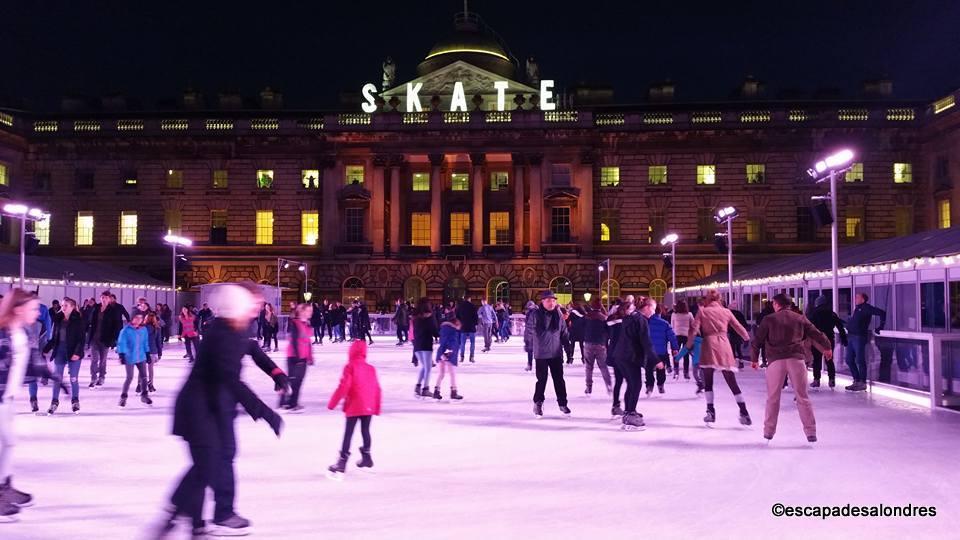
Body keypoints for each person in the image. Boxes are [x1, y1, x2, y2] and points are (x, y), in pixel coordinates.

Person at [155, 283, 288, 538]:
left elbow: (253, 350)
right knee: (207, 464)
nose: (255, 310)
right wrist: (265, 412)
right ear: (236, 307)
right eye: (251, 305)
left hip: (217, 407)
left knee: (217, 459)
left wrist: (276, 373)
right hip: (199, 409)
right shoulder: (222, 334)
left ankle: (201, 520)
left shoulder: (235, 329)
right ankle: (188, 515)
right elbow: (231, 379)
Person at [0, 289, 61, 521]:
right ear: (18, 309)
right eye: (34, 308)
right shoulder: (2, 334)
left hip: (7, 398)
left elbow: (32, 362)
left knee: (9, 443)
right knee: (6, 443)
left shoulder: (22, 332)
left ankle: (5, 486)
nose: (38, 312)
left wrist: (54, 377)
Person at [751, 293, 833, 443]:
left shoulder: (769, 319)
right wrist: (827, 347)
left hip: (776, 361)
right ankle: (810, 432)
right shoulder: (799, 318)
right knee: (802, 397)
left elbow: (757, 340)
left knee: (773, 398)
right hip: (796, 360)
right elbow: (816, 333)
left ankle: (768, 431)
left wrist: (755, 359)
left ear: (776, 304)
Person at [688, 289, 752, 426]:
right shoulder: (726, 312)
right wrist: (746, 337)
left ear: (708, 299)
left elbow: (694, 329)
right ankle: (744, 412)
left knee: (708, 381)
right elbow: (738, 326)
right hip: (724, 345)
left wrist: (689, 345)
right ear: (719, 299)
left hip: (709, 345)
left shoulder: (703, 311)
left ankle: (710, 411)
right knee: (731, 381)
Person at [327, 340, 382, 477]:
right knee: (365, 430)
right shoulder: (371, 368)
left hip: (354, 404)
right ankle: (367, 458)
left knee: (348, 433)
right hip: (368, 405)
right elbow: (377, 389)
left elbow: (344, 386)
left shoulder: (350, 366)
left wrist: (332, 403)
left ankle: (342, 462)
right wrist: (376, 407)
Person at [610, 297, 658, 430]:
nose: (654, 312)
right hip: (629, 357)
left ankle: (629, 411)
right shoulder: (640, 320)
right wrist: (656, 360)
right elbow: (646, 342)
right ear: (647, 307)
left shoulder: (632, 316)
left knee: (632, 384)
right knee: (636, 384)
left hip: (621, 356)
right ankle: (630, 415)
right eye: (653, 309)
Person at [525, 290, 571, 418]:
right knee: (542, 380)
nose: (552, 303)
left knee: (559, 380)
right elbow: (528, 331)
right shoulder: (535, 315)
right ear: (543, 301)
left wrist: (568, 348)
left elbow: (564, 332)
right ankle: (538, 403)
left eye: (553, 300)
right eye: (549, 300)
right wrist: (528, 345)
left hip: (556, 352)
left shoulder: (559, 315)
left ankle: (563, 403)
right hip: (541, 353)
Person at [41, 297, 85, 415]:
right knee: (57, 378)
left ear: (72, 307)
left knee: (73, 378)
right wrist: (46, 348)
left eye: (65, 305)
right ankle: (54, 402)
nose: (62, 307)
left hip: (73, 352)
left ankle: (75, 401)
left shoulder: (78, 320)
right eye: (62, 305)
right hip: (60, 351)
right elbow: (55, 337)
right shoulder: (58, 319)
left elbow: (81, 340)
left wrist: (77, 352)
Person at [845, 293, 886, 392]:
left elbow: (882, 313)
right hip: (851, 337)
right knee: (849, 359)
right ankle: (856, 380)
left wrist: (881, 326)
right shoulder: (857, 309)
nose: (855, 298)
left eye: (857, 297)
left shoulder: (866, 308)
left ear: (863, 299)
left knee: (860, 360)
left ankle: (862, 382)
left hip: (859, 337)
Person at [806, 295, 848, 389]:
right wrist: (844, 338)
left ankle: (816, 380)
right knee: (829, 360)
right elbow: (840, 327)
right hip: (829, 338)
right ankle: (831, 379)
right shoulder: (832, 314)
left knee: (817, 360)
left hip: (817, 339)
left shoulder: (814, 313)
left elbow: (809, 327)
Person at [641, 298, 677, 396]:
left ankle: (649, 386)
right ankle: (660, 384)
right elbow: (672, 337)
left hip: (649, 352)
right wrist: (675, 348)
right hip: (661, 351)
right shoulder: (664, 324)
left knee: (649, 370)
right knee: (661, 370)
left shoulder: (645, 323)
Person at [281, 303, 314, 413]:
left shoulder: (307, 324)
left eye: (311, 311)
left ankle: (291, 403)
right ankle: (289, 403)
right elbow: (294, 341)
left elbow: (308, 342)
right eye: (309, 311)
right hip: (294, 357)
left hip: (303, 357)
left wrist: (310, 356)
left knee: (297, 381)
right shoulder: (295, 323)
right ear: (302, 311)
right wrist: (297, 357)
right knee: (294, 380)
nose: (311, 313)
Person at [116, 313, 152, 408]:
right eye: (136, 318)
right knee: (129, 377)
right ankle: (123, 397)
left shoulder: (143, 330)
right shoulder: (125, 330)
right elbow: (121, 343)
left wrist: (147, 353)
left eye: (141, 318)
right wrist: (121, 354)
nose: (139, 320)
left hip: (141, 356)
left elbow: (145, 342)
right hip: (129, 356)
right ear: (132, 318)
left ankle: (144, 395)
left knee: (144, 377)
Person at [87, 291, 123, 388]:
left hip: (105, 339)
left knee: (103, 360)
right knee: (94, 359)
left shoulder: (112, 310)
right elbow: (90, 322)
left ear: (109, 299)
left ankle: (101, 377)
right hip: (94, 338)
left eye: (106, 298)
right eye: (102, 297)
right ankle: (93, 378)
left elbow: (117, 325)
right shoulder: (96, 308)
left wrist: (113, 339)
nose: (104, 299)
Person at [581, 297, 611, 397]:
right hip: (600, 344)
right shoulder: (604, 318)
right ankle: (609, 385)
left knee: (589, 367)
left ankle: (588, 387)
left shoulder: (587, 317)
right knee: (603, 366)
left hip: (588, 343)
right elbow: (609, 331)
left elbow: (580, 327)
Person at [432, 316, 464, 401]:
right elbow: (452, 343)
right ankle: (454, 392)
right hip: (448, 354)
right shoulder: (453, 331)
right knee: (452, 373)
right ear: (456, 324)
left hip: (441, 353)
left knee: (441, 374)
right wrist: (448, 352)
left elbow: (443, 342)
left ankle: (436, 391)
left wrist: (441, 353)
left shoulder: (444, 330)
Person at [412, 299, 439, 398]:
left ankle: (418, 386)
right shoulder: (430, 317)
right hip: (426, 345)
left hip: (417, 345)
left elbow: (414, 333)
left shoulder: (415, 318)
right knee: (428, 368)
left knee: (424, 367)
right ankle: (425, 389)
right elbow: (434, 330)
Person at [670, 301, 694, 379]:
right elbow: (693, 325)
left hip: (676, 335)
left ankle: (676, 371)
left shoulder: (674, 315)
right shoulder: (689, 314)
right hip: (686, 335)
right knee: (686, 354)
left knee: (675, 353)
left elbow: (672, 325)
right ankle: (686, 372)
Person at [140, 312, 163, 394]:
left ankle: (139, 385)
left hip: (142, 351)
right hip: (152, 351)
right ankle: (151, 384)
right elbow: (159, 341)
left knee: (142, 369)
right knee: (150, 369)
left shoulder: (141, 328)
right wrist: (160, 353)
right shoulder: (157, 328)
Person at [455, 296, 478, 364]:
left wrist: (459, 323)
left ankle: (462, 357)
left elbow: (457, 316)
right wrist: (475, 324)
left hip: (463, 326)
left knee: (462, 343)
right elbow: (475, 316)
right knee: (472, 343)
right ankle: (472, 357)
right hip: (471, 326)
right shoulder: (472, 306)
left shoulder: (460, 306)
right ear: (469, 299)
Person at [522, 300, 537, 371]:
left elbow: (531, 326)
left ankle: (535, 365)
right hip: (530, 335)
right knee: (530, 351)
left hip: (535, 335)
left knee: (535, 351)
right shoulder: (530, 313)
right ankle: (530, 365)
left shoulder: (535, 312)